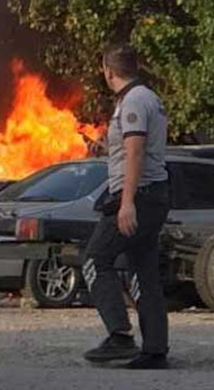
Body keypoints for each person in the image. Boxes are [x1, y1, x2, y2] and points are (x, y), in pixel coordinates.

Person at [81, 42, 170, 369]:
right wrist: (105, 147)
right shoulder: (148, 98)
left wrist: (127, 203)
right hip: (153, 194)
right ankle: (155, 350)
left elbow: (135, 151)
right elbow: (127, 148)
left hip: (140, 196)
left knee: (95, 259)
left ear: (108, 70)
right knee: (143, 271)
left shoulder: (133, 101)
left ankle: (119, 336)